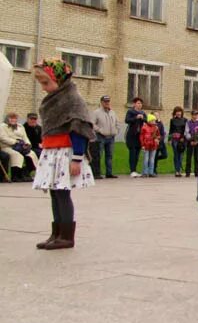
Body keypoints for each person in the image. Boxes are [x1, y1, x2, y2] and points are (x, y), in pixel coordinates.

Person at [31, 59, 96, 250]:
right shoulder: (53, 99)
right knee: (54, 192)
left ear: (59, 79)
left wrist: (77, 158)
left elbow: (79, 128)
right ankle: (57, 232)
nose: (43, 88)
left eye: (45, 83)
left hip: (65, 153)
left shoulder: (72, 99)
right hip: (51, 151)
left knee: (62, 193)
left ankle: (67, 236)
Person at [1, 112, 39, 182]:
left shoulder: (20, 126)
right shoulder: (2, 126)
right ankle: (15, 176)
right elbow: (3, 138)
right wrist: (15, 142)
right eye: (11, 118)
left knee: (31, 154)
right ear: (7, 119)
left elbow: (25, 137)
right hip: (8, 146)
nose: (13, 120)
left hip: (21, 146)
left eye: (15, 118)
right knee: (17, 155)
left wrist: (27, 144)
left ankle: (26, 174)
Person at [90, 95, 119, 179]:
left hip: (111, 137)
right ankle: (97, 173)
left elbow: (117, 122)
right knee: (99, 155)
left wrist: (116, 130)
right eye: (105, 101)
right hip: (101, 136)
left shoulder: (112, 112)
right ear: (101, 102)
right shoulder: (96, 112)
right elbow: (92, 123)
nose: (107, 103)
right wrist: (99, 130)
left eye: (108, 101)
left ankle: (109, 173)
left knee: (109, 156)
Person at [124, 97, 146, 177]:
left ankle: (135, 170)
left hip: (139, 136)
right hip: (132, 135)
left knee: (137, 153)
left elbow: (146, 120)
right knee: (132, 153)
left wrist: (143, 118)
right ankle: (132, 170)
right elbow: (127, 120)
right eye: (138, 103)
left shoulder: (143, 113)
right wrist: (136, 117)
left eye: (140, 103)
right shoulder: (130, 111)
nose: (139, 105)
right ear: (134, 104)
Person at [168, 107, 187, 177]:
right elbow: (171, 130)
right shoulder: (172, 120)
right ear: (175, 112)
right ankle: (177, 171)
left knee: (181, 155)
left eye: (180, 111)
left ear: (182, 112)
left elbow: (185, 130)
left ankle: (179, 170)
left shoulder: (185, 120)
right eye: (177, 111)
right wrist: (169, 139)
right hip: (175, 140)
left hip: (183, 140)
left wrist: (182, 137)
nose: (179, 113)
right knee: (176, 155)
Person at [184, 110, 198, 177]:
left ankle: (196, 171)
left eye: (196, 115)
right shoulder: (188, 122)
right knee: (189, 157)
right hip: (190, 141)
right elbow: (186, 132)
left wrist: (197, 140)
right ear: (191, 115)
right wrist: (190, 140)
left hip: (197, 142)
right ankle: (187, 172)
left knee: (197, 157)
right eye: (194, 115)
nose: (195, 116)